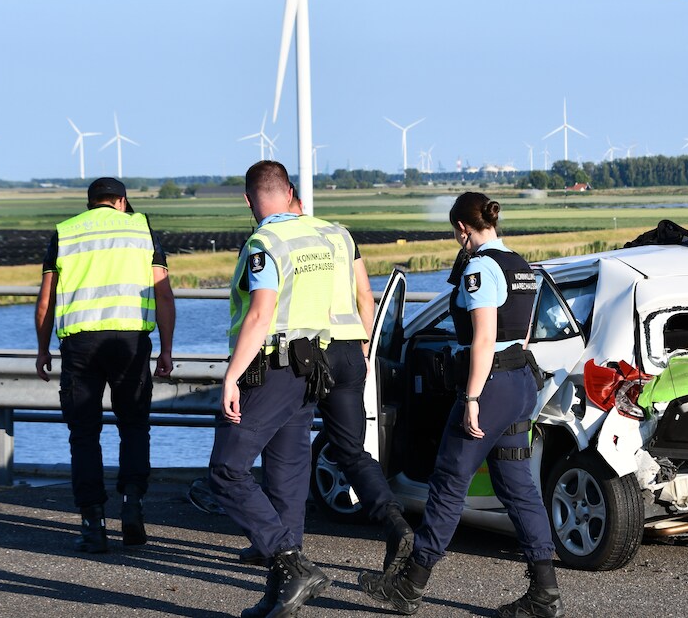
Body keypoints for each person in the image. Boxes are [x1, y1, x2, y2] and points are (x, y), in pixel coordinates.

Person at [358, 192, 564, 617]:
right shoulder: (521, 266)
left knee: (450, 482)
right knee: (517, 486)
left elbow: (484, 338)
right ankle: (544, 593)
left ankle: (411, 584)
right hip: (521, 382)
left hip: (490, 386)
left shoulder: (480, 268)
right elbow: (522, 335)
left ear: (461, 229)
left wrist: (471, 397)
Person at [206, 161, 336, 618]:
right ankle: (282, 594)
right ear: (290, 192)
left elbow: (260, 314)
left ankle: (291, 562)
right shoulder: (319, 237)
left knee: (226, 470)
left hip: (270, 368)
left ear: (248, 199)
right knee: (286, 480)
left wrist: (231, 376)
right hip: (310, 368)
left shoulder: (265, 243)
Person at [34, 177, 175, 553]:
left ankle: (92, 524)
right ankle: (132, 508)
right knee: (134, 426)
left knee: (84, 433)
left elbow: (46, 301)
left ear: (90, 202)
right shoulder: (142, 228)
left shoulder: (66, 233)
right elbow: (163, 292)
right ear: (122, 201)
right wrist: (166, 350)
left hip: (80, 344)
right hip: (131, 342)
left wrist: (42, 349)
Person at [291, 189, 416, 572]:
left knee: (290, 448)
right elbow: (366, 294)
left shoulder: (281, 237)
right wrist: (364, 344)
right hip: (349, 352)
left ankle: (285, 546)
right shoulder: (340, 235)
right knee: (353, 450)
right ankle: (394, 522)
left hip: (306, 353)